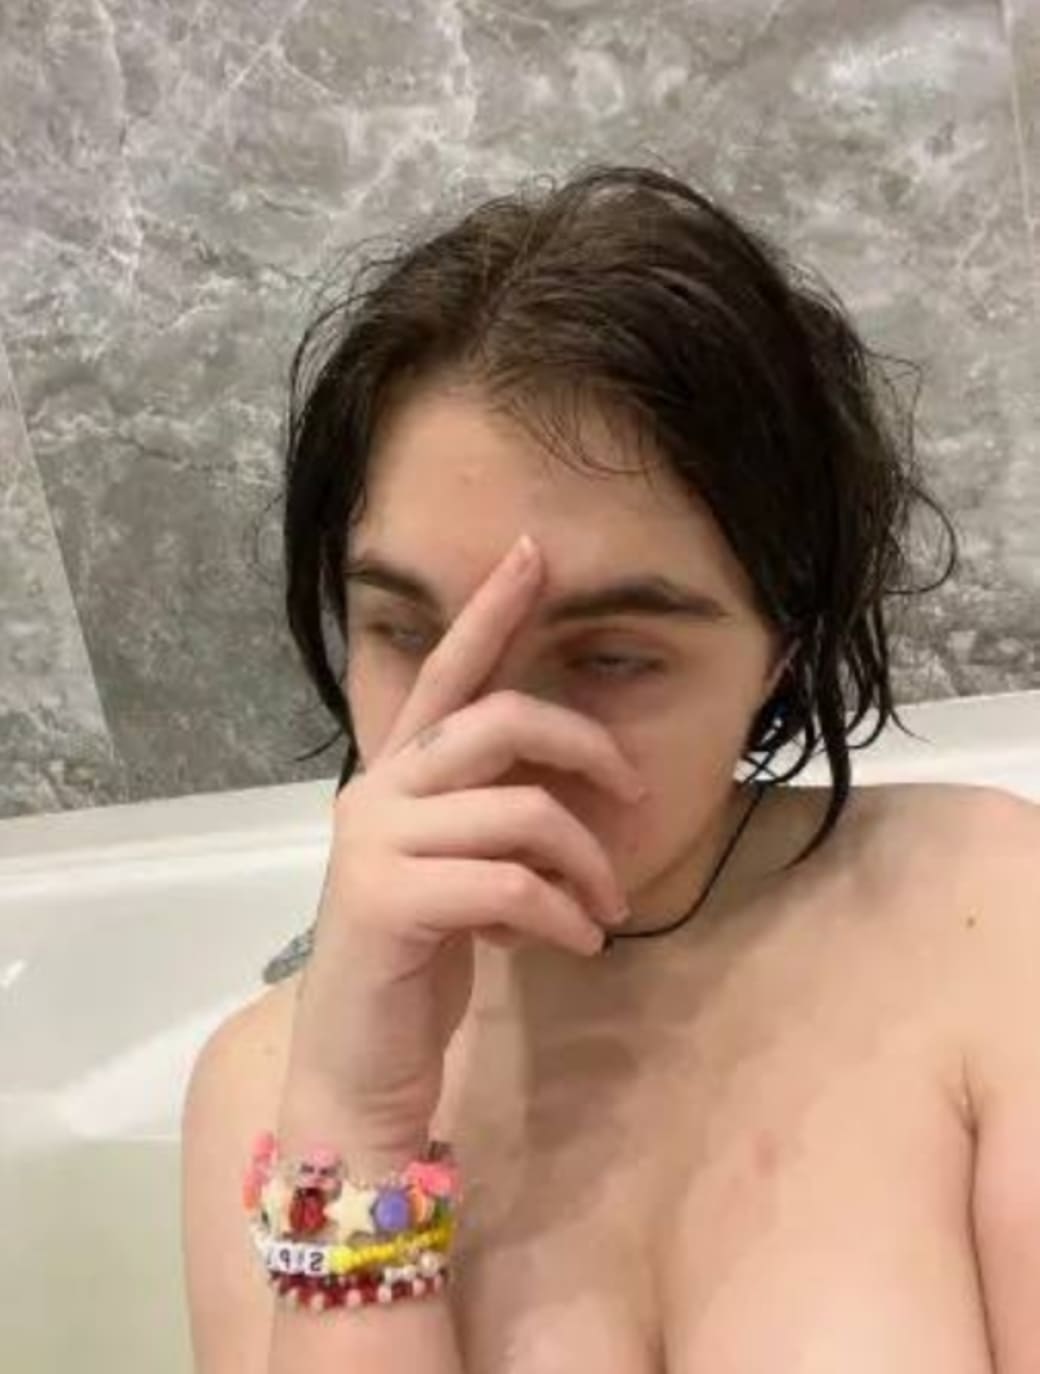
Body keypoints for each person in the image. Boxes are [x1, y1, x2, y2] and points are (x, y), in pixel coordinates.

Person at [181, 163, 1039, 1373]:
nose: (493, 739)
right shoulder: (271, 1088)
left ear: (781, 647)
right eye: (409, 632)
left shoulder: (990, 921)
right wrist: (361, 1133)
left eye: (612, 656)